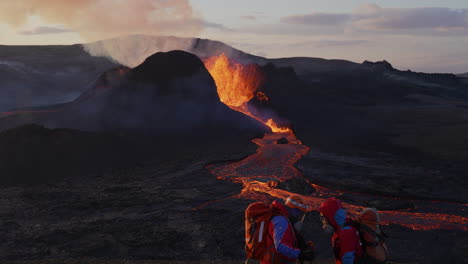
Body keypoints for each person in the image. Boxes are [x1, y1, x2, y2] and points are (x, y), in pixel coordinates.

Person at [260, 195, 315, 264]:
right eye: (298, 212)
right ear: (293, 208)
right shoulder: (281, 221)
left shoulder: (286, 220)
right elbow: (280, 246)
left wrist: (304, 246)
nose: (299, 216)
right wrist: (300, 254)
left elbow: (287, 240)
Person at [319, 198, 362, 264]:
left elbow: (348, 258)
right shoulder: (340, 227)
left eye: (325, 216)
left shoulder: (346, 231)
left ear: (330, 215)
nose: (324, 220)